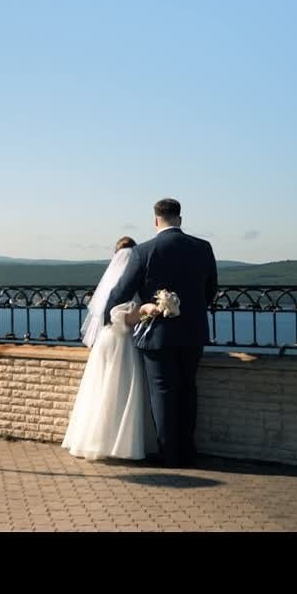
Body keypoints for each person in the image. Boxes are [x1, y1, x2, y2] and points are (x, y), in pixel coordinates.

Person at [103, 198, 217, 467]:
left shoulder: (143, 251)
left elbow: (121, 292)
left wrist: (112, 312)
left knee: (163, 392)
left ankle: (170, 455)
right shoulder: (203, 247)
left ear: (156, 220)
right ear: (180, 218)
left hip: (157, 334)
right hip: (193, 331)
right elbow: (210, 290)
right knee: (188, 389)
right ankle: (188, 450)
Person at [61, 236, 159, 461]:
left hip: (105, 341)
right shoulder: (130, 285)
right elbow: (124, 318)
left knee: (100, 389)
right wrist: (145, 309)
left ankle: (94, 440)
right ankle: (118, 443)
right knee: (121, 390)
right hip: (122, 342)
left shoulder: (109, 286)